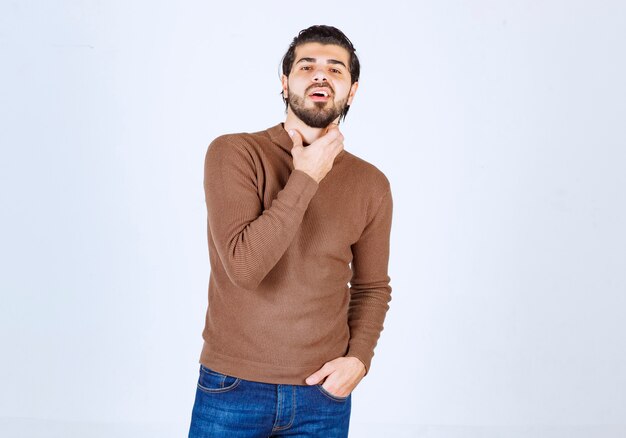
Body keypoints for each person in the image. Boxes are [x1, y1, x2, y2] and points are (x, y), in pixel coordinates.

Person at [188, 24, 393, 437]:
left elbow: (372, 287)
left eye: (336, 70)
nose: (321, 76)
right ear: (285, 84)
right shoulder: (235, 153)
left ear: (352, 90)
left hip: (322, 396)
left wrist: (359, 359)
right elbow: (246, 267)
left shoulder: (370, 183)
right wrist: (306, 177)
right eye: (307, 66)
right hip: (232, 387)